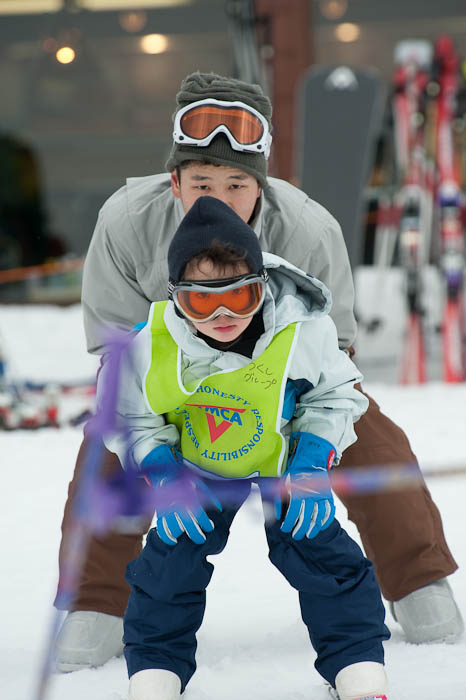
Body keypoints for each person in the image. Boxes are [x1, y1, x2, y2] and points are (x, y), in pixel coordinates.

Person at [54, 71, 463, 672]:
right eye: (200, 182)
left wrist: (311, 447)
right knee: (106, 451)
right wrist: (158, 454)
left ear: (260, 187)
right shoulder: (125, 223)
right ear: (174, 181)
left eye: (236, 183)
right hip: (174, 392)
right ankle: (96, 600)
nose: (217, 197)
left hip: (288, 392)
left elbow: (336, 361)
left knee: (375, 439)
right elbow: (118, 362)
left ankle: (417, 578)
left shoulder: (309, 228)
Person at [100, 194, 391, 700]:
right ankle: (155, 675)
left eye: (238, 297)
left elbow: (337, 394)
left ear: (260, 287)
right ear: (176, 298)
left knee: (321, 550)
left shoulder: (301, 331)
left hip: (282, 461)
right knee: (169, 563)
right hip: (196, 469)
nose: (221, 315)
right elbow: (130, 417)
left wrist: (311, 461)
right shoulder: (153, 344)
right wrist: (162, 474)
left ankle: (358, 666)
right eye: (200, 300)